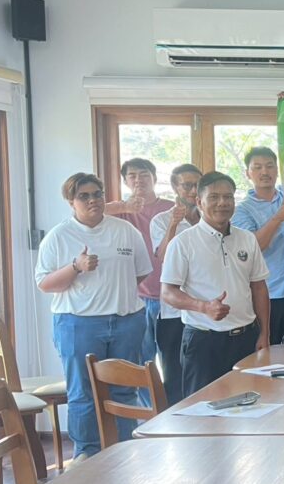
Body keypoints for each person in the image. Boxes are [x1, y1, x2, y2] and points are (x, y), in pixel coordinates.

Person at [35, 172, 151, 460]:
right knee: (83, 394)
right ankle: (86, 454)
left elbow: (140, 273)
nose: (92, 201)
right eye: (83, 196)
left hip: (126, 321)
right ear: (71, 202)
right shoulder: (59, 236)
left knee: (124, 390)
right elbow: (45, 284)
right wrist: (75, 267)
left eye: (97, 194)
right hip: (78, 324)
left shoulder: (126, 231)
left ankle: (124, 452)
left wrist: (114, 293)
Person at [160, 171, 271, 396]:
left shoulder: (247, 238)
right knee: (203, 407)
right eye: (214, 197)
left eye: (228, 197)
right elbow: (168, 292)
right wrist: (203, 307)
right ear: (199, 202)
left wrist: (265, 333)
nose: (222, 203)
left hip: (246, 339)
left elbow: (259, 287)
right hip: (203, 342)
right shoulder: (183, 242)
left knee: (251, 404)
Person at [105, 158, 174, 399]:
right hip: (138, 298)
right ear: (125, 181)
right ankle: (151, 412)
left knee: (171, 360)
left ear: (154, 178)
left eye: (144, 174)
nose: (138, 180)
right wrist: (124, 206)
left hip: (171, 296)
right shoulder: (121, 211)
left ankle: (171, 410)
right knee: (142, 363)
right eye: (132, 176)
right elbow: (88, 212)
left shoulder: (170, 208)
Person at [231, 146, 284, 345]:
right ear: (248, 173)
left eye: (270, 166)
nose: (265, 172)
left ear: (277, 170)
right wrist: (278, 218)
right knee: (267, 352)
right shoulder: (242, 211)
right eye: (257, 167)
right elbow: (254, 246)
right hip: (268, 294)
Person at [148, 163, 202, 405]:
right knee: (175, 379)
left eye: (197, 185)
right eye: (187, 185)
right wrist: (173, 224)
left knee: (203, 378)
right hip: (174, 313)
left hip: (205, 311)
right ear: (175, 187)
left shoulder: (210, 218)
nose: (193, 191)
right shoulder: (161, 220)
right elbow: (162, 256)